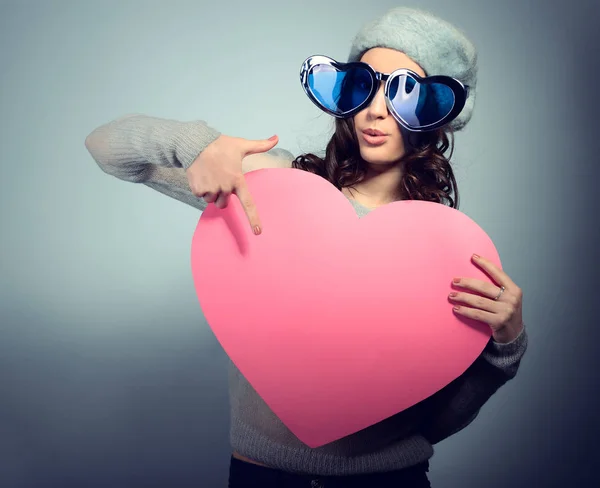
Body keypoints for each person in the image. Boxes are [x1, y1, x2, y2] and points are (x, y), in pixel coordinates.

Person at [85, 6, 528, 488]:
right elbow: (107, 148)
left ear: (437, 113)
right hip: (261, 477)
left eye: (404, 92)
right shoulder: (274, 189)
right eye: (364, 84)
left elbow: (435, 421)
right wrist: (197, 146)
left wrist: (503, 350)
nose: (375, 110)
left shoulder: (448, 248)